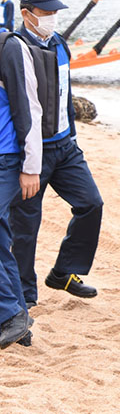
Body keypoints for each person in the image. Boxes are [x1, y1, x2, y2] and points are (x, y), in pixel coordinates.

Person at [11, 0, 104, 305]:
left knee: (91, 204)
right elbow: (22, 111)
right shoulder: (14, 48)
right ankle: (24, 299)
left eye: (55, 11)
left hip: (66, 148)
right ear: (26, 13)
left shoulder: (60, 44)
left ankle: (64, 272)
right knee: (25, 230)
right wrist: (27, 164)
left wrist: (73, 138)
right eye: (45, 12)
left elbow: (65, 96)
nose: (52, 16)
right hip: (32, 153)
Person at [0, 26, 44, 349]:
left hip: (7, 157)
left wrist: (31, 166)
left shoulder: (9, 46)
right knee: (2, 240)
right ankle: (19, 324)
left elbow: (29, 107)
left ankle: (10, 314)